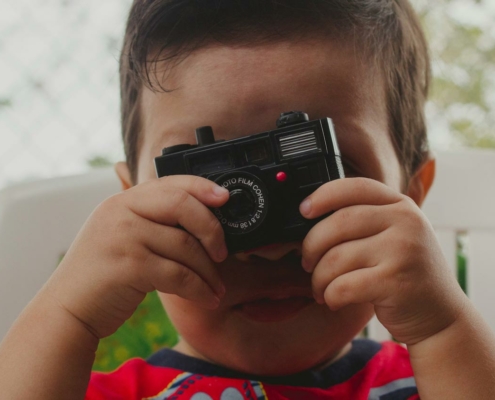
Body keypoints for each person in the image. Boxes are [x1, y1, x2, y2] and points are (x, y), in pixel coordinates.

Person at [1, 0, 495, 398]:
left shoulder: (435, 384)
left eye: (319, 172)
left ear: (410, 193)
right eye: (208, 181)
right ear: (133, 201)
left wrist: (442, 330)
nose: (268, 245)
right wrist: (69, 314)